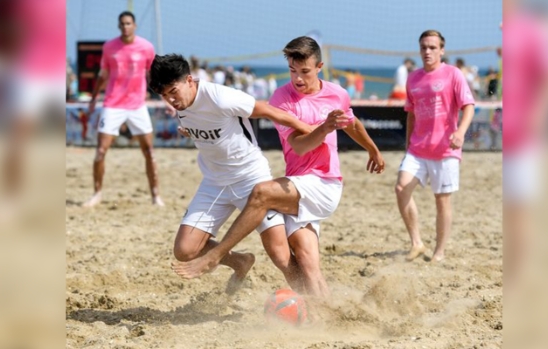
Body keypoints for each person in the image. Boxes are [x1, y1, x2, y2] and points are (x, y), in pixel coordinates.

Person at [171, 36, 385, 298]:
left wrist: (372, 148)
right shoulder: (282, 98)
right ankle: (326, 313)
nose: (298, 78)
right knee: (304, 259)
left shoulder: (337, 93)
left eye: (305, 71)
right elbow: (300, 146)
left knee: (262, 192)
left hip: (324, 183)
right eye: (293, 71)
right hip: (295, 185)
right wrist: (325, 128)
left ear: (319, 67)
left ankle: (215, 255)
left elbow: (351, 123)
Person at [148, 53, 315, 294]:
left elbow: (268, 111)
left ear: (189, 80)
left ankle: (313, 303)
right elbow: (208, 126)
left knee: (280, 255)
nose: (170, 100)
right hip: (214, 182)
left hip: (251, 179)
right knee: (184, 251)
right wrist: (191, 132)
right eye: (164, 96)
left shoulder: (220, 96)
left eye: (173, 91)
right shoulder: (182, 104)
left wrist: (308, 130)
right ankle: (240, 261)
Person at [395, 30, 475, 262]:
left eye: (432, 47)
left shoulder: (453, 74)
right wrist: (408, 143)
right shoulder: (413, 78)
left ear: (442, 50)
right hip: (417, 148)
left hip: (445, 150)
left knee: (442, 200)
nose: (427, 51)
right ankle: (417, 242)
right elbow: (410, 114)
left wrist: (460, 132)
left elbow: (468, 106)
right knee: (401, 189)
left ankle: (439, 251)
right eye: (423, 47)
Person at [83, 11, 163, 207]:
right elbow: (102, 76)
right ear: (119, 26)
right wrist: (93, 99)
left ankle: (155, 196)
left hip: (137, 106)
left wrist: (166, 99)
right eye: (122, 24)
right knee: (101, 151)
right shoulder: (109, 47)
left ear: (134, 25)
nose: (125, 27)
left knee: (149, 152)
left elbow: (153, 77)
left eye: (128, 23)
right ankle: (97, 193)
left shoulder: (146, 47)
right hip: (112, 104)